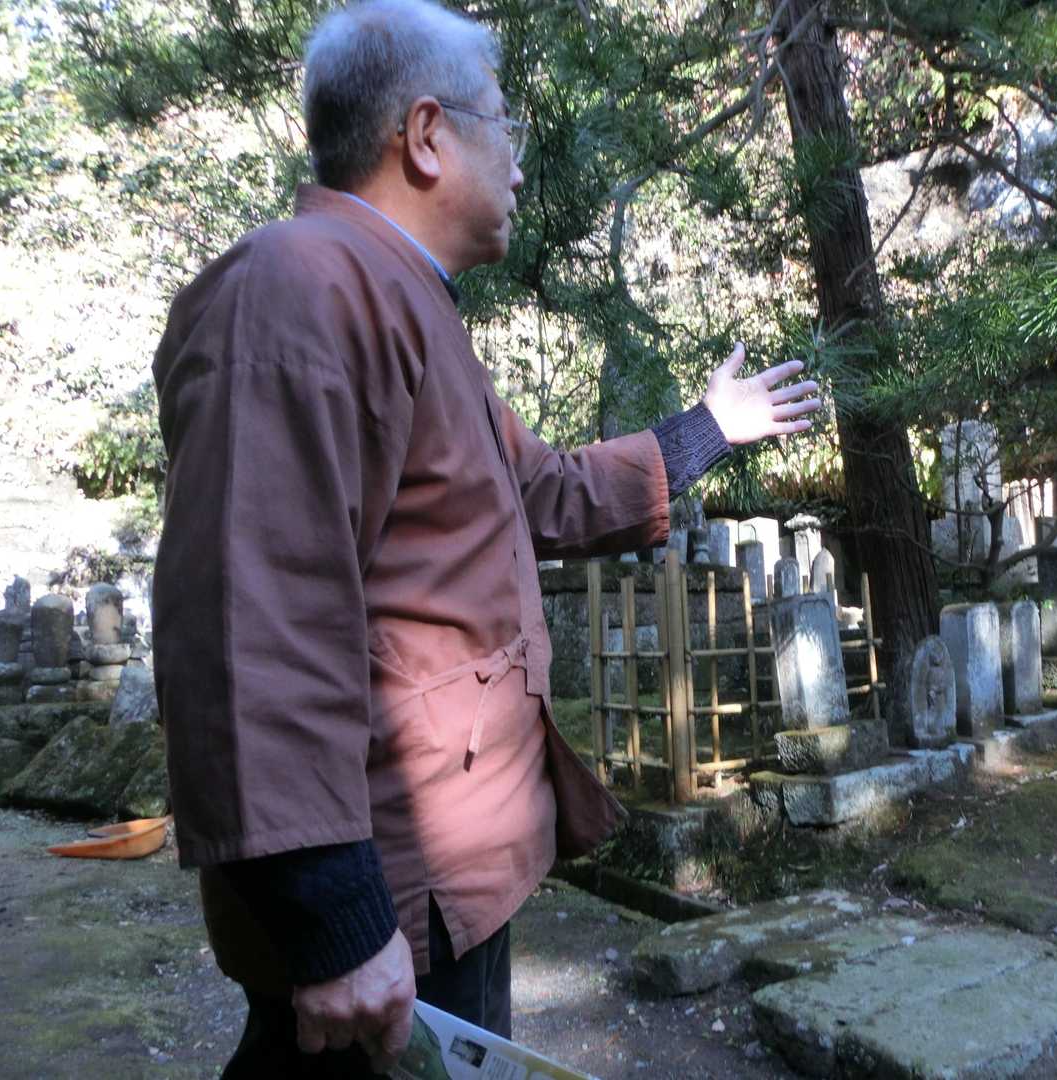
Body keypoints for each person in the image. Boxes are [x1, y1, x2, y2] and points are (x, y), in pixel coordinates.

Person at [149, 1, 820, 1075]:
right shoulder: (296, 287)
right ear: (425, 135)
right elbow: (248, 617)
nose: (516, 161)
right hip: (381, 898)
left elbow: (542, 491)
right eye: (501, 125)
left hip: (443, 888)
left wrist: (707, 430)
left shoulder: (405, 302)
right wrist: (331, 916)